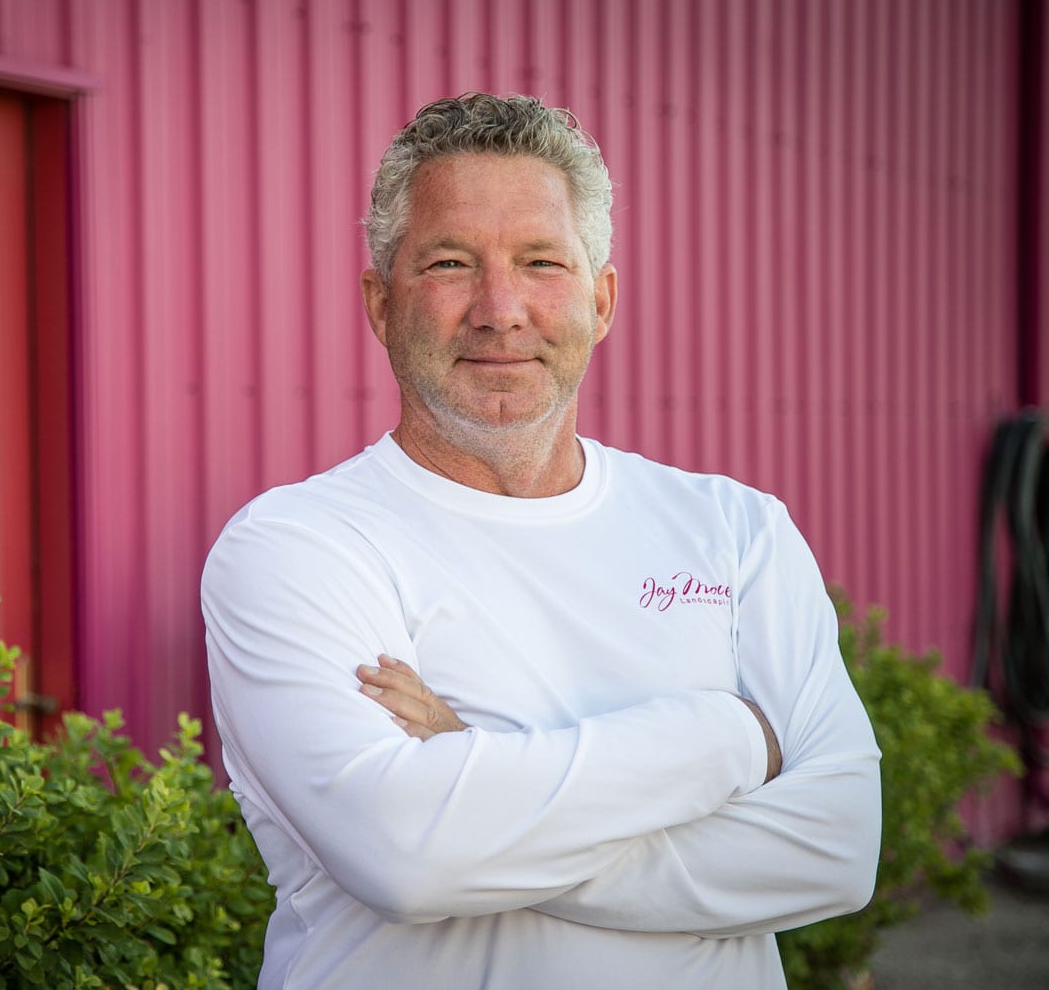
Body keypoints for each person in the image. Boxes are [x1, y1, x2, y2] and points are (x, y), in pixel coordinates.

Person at [201, 93, 881, 989]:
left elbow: (835, 850)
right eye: (449, 262)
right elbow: (411, 859)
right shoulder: (296, 548)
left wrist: (469, 763)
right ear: (379, 300)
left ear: (600, 300)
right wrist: (728, 739)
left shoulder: (735, 529)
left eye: (540, 262)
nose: (500, 308)